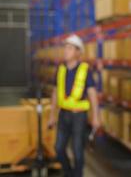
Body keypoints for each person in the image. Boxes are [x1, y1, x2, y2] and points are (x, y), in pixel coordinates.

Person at [48, 34, 100, 177]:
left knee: (78, 151)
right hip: (63, 114)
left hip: (79, 116)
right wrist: (52, 115)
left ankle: (77, 175)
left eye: (70, 48)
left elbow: (92, 95)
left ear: (78, 52)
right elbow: (55, 93)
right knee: (58, 148)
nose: (66, 50)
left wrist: (96, 117)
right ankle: (69, 173)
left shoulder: (85, 70)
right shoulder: (61, 69)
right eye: (65, 47)